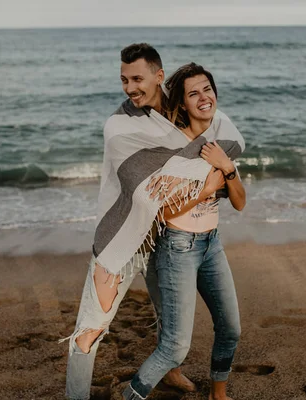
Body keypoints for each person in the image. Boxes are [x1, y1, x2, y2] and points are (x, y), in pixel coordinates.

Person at [64, 43, 195, 400]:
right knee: (90, 329)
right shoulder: (118, 125)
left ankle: (171, 372)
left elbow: (218, 141)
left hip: (165, 235)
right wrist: (203, 172)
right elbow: (150, 182)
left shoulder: (183, 111)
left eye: (137, 78)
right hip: (121, 239)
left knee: (170, 316)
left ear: (159, 76)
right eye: (123, 80)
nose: (129, 87)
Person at [122, 63, 246, 400]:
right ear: (183, 103)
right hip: (177, 247)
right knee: (175, 347)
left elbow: (240, 202)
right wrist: (205, 190)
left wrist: (228, 167)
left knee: (231, 328)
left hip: (211, 245)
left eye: (207, 88)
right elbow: (162, 211)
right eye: (194, 93)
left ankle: (218, 395)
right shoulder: (174, 151)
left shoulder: (217, 143)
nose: (204, 97)